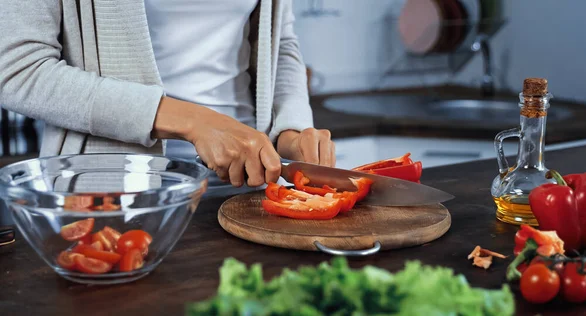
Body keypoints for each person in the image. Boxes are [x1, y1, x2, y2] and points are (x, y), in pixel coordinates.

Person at [0, 0, 336, 191]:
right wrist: (195, 122)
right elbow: (15, 69)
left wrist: (291, 128)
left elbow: (281, 40)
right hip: (111, 193)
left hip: (247, 185)